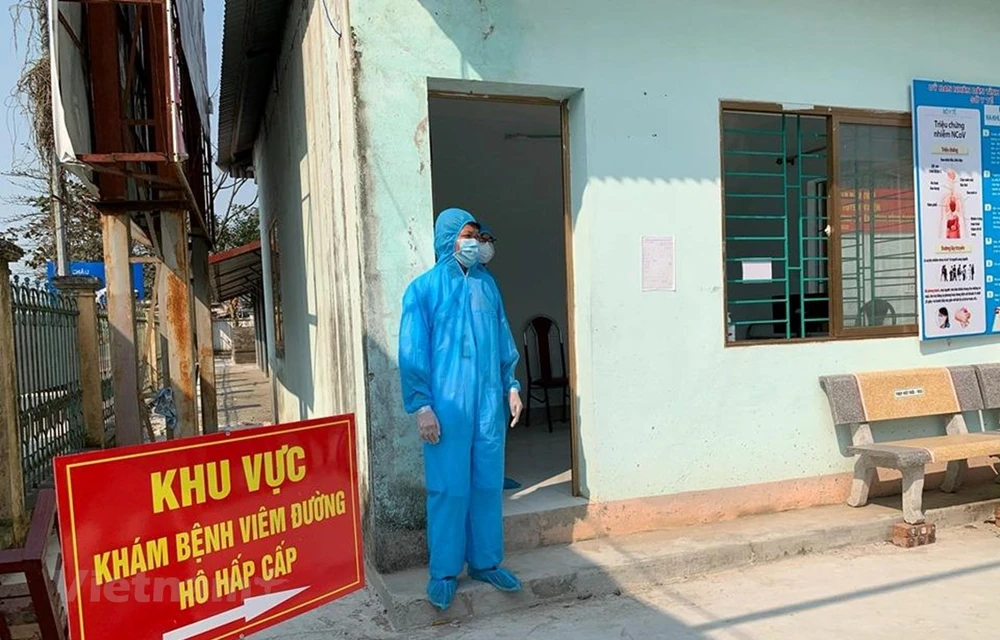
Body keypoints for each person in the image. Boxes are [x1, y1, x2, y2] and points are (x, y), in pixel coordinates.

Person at [399, 208, 524, 611]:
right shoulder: (423, 291)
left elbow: (503, 340)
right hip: (447, 409)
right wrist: (421, 407)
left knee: (487, 484)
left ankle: (486, 562)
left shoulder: (489, 288)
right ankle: (445, 572)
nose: (477, 242)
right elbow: (412, 352)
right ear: (449, 238)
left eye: (479, 235)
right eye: (469, 235)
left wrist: (512, 385)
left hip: (488, 405)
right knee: (449, 489)